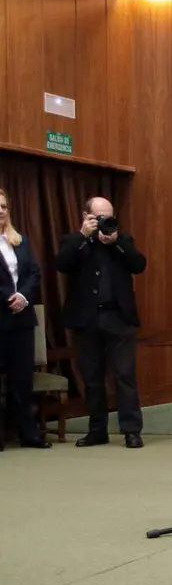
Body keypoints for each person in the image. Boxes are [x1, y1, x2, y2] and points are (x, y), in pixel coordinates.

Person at [56, 197, 147, 449]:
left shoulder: (123, 240)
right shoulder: (73, 241)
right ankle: (97, 431)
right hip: (86, 319)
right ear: (86, 216)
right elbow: (61, 263)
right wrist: (83, 236)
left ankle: (131, 430)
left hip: (118, 318)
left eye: (109, 217)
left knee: (124, 375)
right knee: (92, 378)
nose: (105, 221)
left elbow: (139, 265)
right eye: (99, 217)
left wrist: (115, 242)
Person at [0, 189, 49, 450]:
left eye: (3, 206)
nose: (1, 211)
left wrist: (23, 296)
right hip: (1, 315)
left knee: (22, 380)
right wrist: (8, 297)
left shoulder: (20, 241)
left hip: (22, 319)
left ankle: (28, 434)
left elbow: (34, 273)